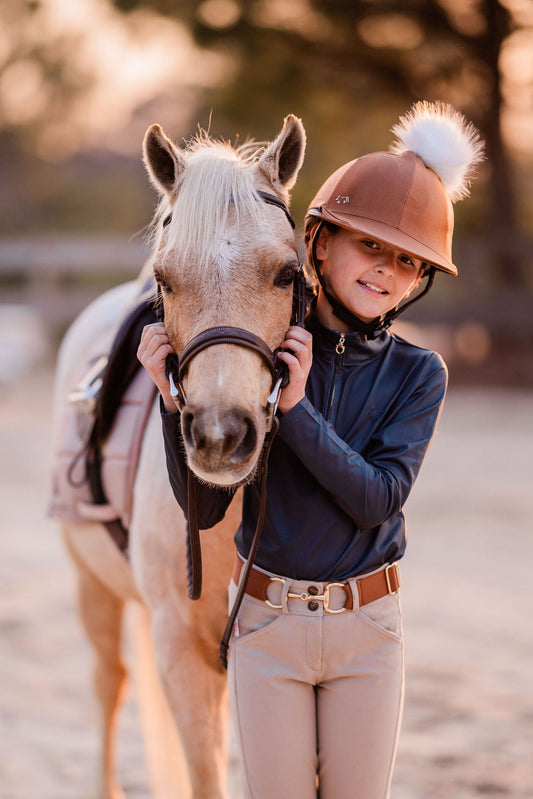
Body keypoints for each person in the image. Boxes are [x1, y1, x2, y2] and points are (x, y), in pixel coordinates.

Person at [138, 101, 484, 799]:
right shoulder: (268, 356)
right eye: (371, 247)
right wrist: (174, 398)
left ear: (420, 280)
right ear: (319, 243)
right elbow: (204, 510)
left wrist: (293, 413)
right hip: (268, 620)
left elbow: (376, 500)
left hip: (367, 626)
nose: (387, 271)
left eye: (409, 262)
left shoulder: (418, 375)